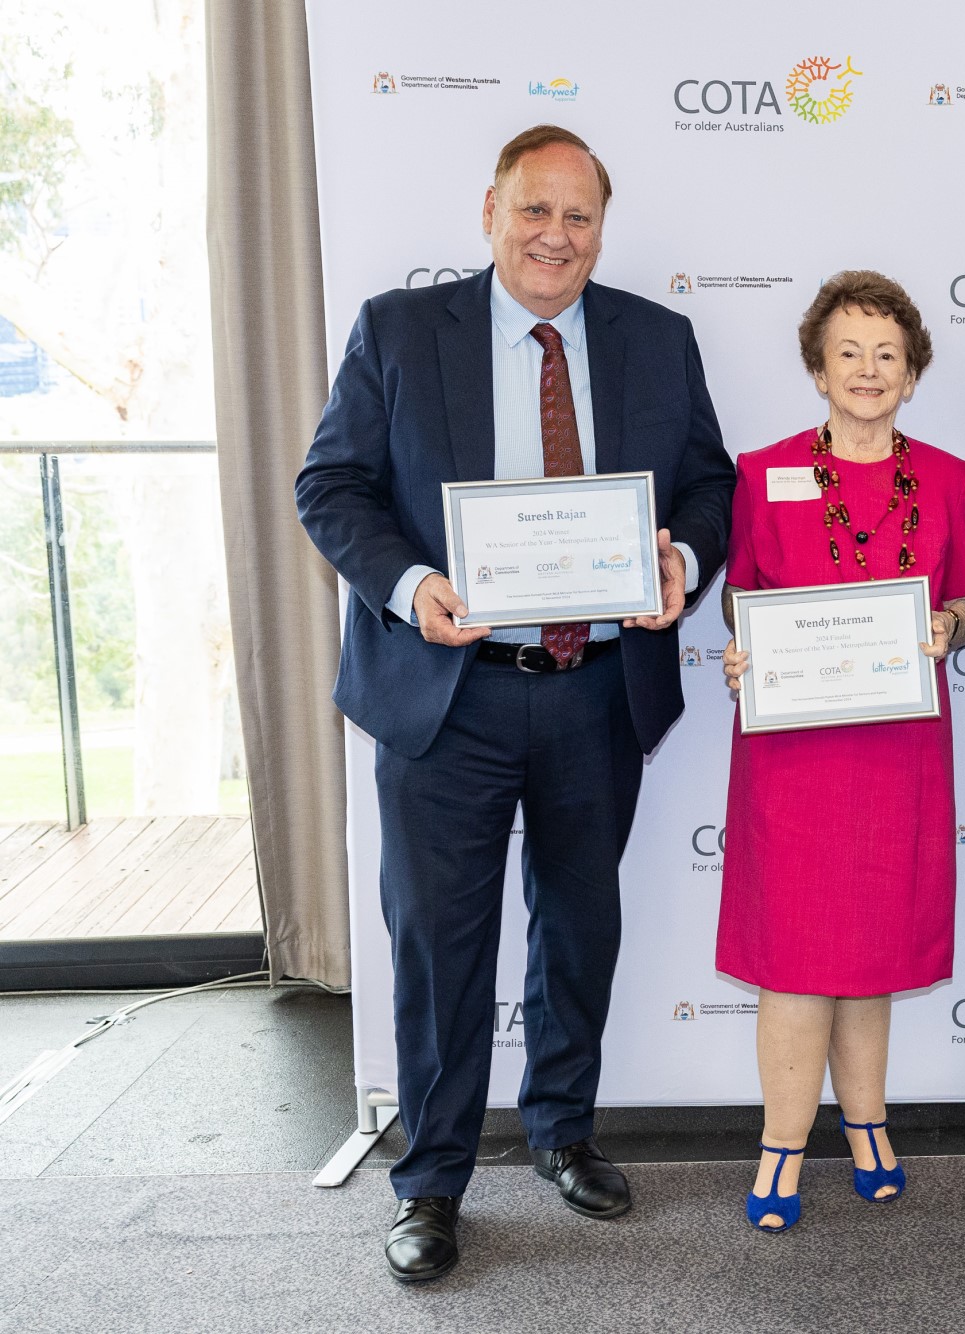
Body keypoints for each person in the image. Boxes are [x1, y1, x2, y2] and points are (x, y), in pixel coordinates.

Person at [295, 125, 734, 1282]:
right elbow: (330, 484)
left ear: (601, 227)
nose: (555, 236)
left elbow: (706, 482)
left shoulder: (655, 336)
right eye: (534, 211)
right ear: (489, 209)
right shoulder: (400, 330)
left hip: (596, 690)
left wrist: (683, 556)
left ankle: (561, 1128)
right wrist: (409, 583)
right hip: (448, 693)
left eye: (578, 217)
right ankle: (431, 1179)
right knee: (438, 945)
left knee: (578, 925)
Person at [717, 271, 965, 1233]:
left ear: (912, 372)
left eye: (887, 354)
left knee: (869, 950)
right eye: (848, 353)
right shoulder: (762, 470)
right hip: (793, 753)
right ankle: (781, 1142)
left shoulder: (951, 479)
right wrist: (742, 644)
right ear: (817, 369)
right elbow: (739, 591)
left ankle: (868, 1124)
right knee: (796, 955)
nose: (868, 371)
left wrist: (952, 625)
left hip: (899, 748)